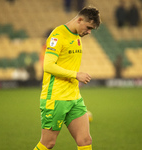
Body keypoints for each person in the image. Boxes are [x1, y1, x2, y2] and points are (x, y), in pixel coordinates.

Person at [33, 6, 101, 150]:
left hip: (74, 97)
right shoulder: (58, 35)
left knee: (85, 140)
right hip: (55, 97)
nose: (89, 32)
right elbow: (48, 66)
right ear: (80, 19)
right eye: (88, 27)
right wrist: (76, 75)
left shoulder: (77, 35)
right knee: (48, 143)